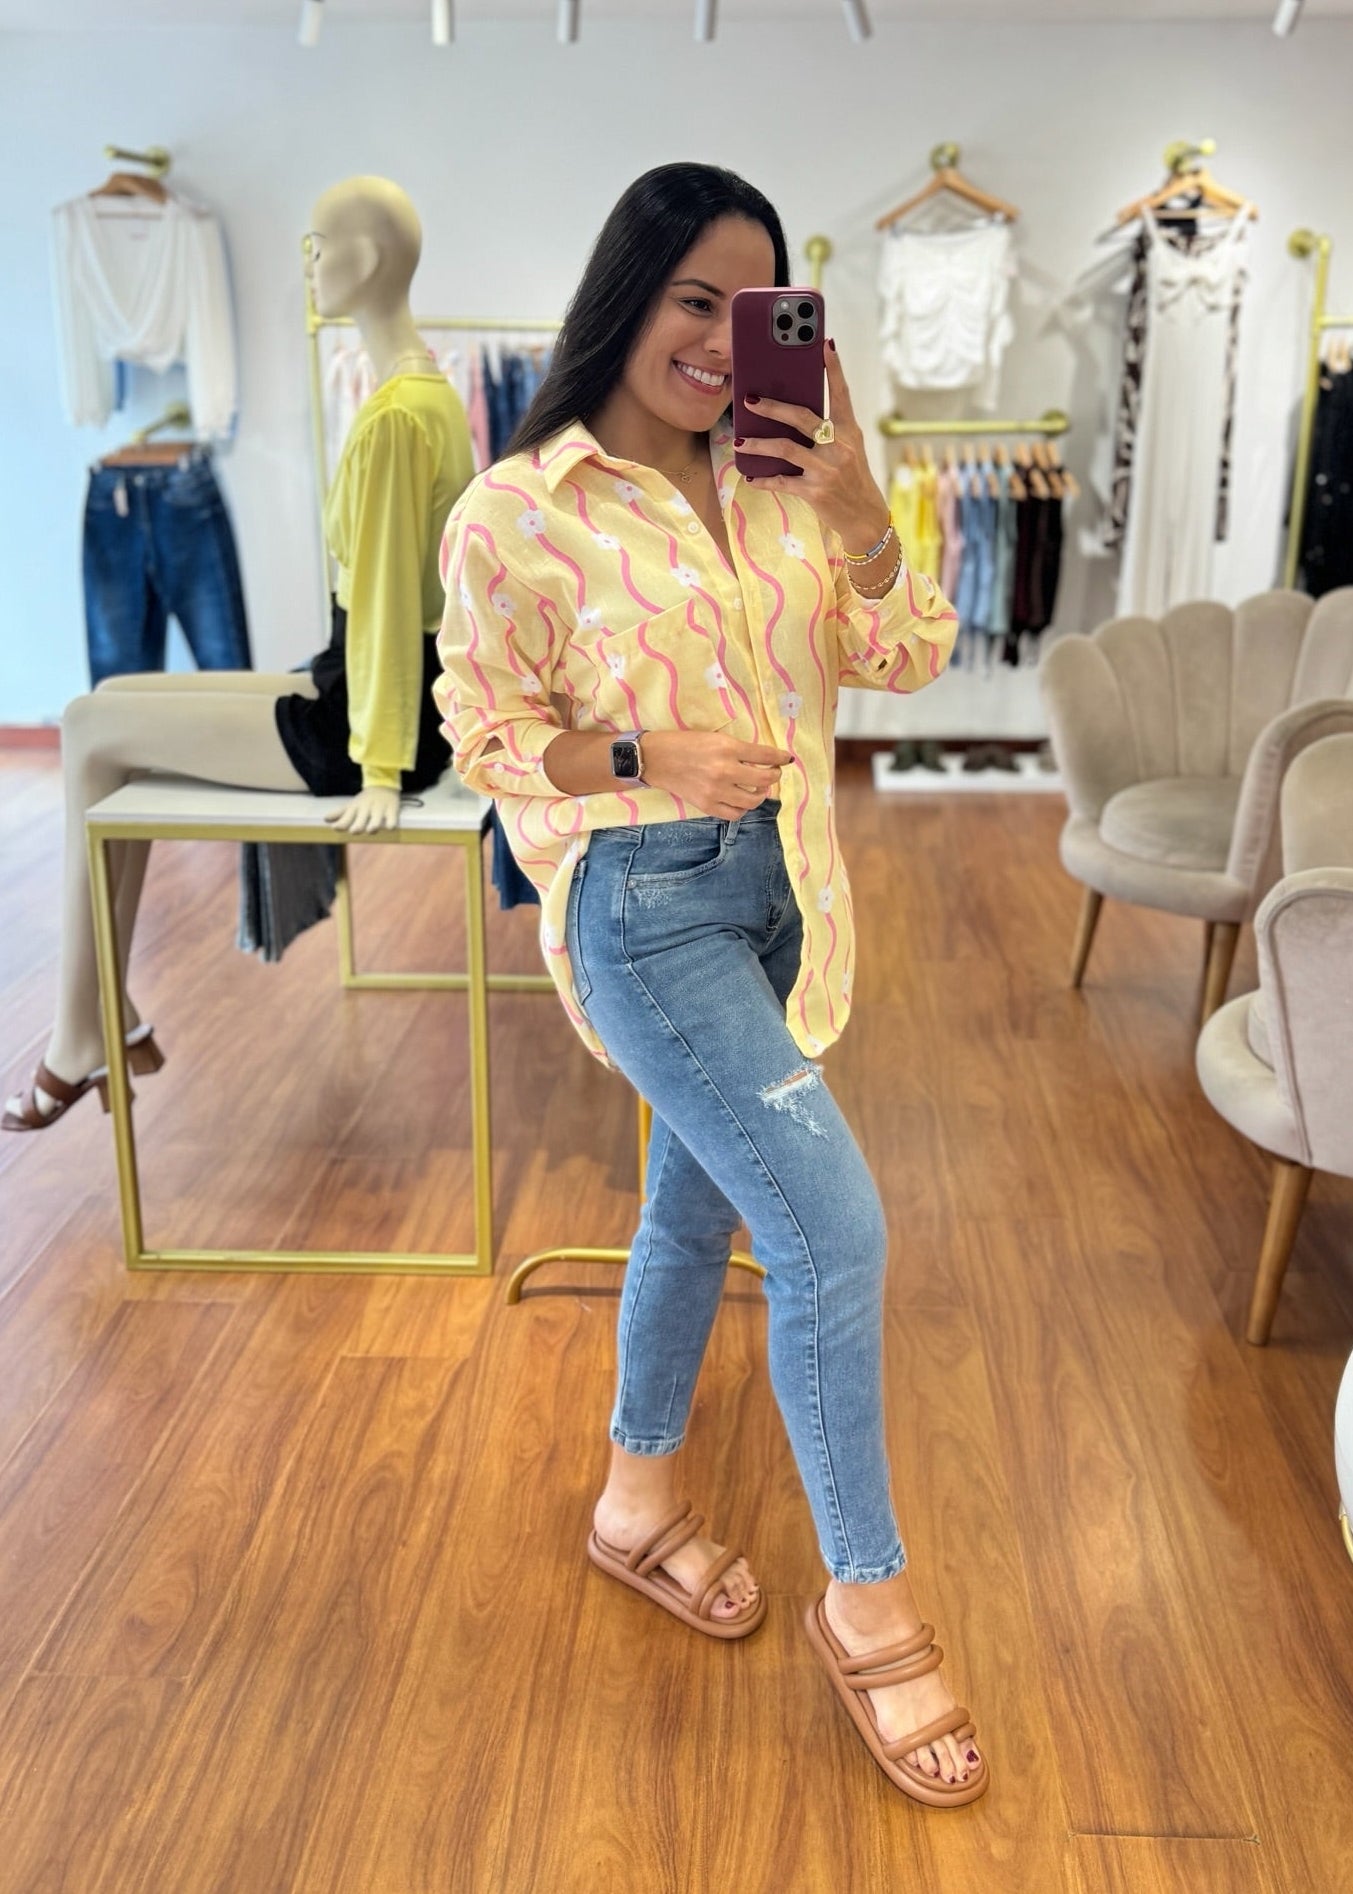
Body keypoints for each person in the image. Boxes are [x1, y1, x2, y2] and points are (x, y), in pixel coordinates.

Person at [436, 162, 985, 1807]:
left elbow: (910, 655)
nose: (717, 340)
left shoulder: (786, 486)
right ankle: (869, 1599)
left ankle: (634, 1501)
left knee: (691, 1213)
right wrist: (640, 753)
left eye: (752, 311)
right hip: (647, 905)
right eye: (694, 299)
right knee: (830, 1228)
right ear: (628, 295)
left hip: (787, 899)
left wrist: (863, 508)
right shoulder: (518, 509)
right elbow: (484, 737)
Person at [5, 177, 473, 1134]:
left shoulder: (396, 416)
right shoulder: (420, 391)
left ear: (365, 258)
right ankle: (100, 1012)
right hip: (361, 680)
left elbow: (390, 601)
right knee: (115, 696)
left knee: (89, 725)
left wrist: (380, 770)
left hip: (366, 717)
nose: (308, 262)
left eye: (318, 244)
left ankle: (80, 1033)